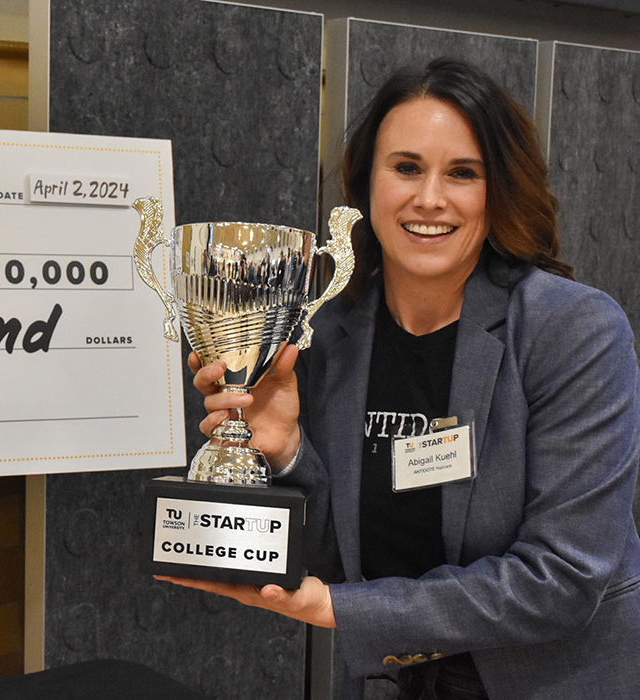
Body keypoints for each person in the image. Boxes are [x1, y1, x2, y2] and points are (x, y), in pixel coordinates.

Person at [155, 59, 640, 700]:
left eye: (462, 173)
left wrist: (338, 610)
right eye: (406, 168)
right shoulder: (327, 333)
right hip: (392, 682)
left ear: (498, 190)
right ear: (367, 185)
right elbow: (344, 559)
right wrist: (284, 450)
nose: (430, 198)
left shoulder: (573, 330)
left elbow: (564, 577)